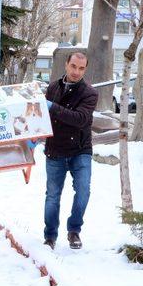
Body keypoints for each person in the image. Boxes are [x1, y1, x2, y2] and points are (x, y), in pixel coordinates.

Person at [42, 52, 98, 250]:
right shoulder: (53, 88)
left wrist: (52, 107)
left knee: (83, 191)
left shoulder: (89, 93)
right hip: (55, 149)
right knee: (52, 196)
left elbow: (79, 119)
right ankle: (50, 236)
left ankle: (74, 230)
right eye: (73, 66)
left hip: (80, 150)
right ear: (66, 65)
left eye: (81, 68)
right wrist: (33, 139)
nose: (76, 72)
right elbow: (43, 120)